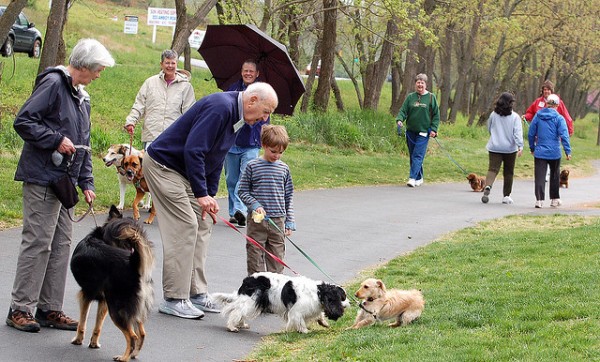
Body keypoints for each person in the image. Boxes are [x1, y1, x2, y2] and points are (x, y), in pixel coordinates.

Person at [143, 82, 278, 319]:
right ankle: (175, 297)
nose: (265, 119)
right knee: (186, 226)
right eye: (266, 112)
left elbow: (216, 157)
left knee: (204, 223)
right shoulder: (220, 107)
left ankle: (196, 292)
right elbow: (194, 150)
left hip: (185, 172)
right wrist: (200, 193)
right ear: (253, 100)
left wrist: (210, 195)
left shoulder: (238, 117)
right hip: (164, 166)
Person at [7, 38, 114, 333]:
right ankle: (20, 308)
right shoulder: (54, 84)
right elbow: (24, 121)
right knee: (38, 243)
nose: (98, 75)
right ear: (83, 66)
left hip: (65, 182)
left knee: (61, 245)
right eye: (97, 70)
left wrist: (87, 181)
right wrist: (55, 139)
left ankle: (49, 308)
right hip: (43, 177)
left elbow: (85, 144)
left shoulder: (83, 97)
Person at [238, 125, 295, 275]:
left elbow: (288, 196)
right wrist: (255, 204)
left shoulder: (284, 169)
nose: (276, 155)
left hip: (278, 221)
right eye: (273, 151)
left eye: (281, 152)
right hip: (257, 221)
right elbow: (242, 191)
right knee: (255, 256)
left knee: (277, 259)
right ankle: (256, 291)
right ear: (264, 145)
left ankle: (275, 292)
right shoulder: (252, 166)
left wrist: (289, 220)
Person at [224, 60, 269, 227]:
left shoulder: (263, 93)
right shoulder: (232, 88)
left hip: (251, 143)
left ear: (257, 73)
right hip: (231, 142)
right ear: (241, 72)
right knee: (231, 179)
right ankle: (233, 213)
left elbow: (265, 118)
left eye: (251, 71)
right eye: (245, 70)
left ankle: (240, 210)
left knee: (244, 179)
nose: (248, 73)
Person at [124, 49, 195, 150]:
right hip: (151, 135)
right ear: (161, 64)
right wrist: (131, 121)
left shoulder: (186, 86)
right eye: (167, 63)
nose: (170, 66)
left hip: (173, 138)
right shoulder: (150, 83)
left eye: (173, 63)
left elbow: (190, 113)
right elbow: (139, 105)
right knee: (149, 165)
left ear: (177, 64)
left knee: (169, 166)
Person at [395, 73, 440, 187]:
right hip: (411, 131)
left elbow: (436, 115)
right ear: (415, 84)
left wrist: (434, 129)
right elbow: (403, 110)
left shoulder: (431, 97)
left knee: (417, 155)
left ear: (426, 84)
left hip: (424, 132)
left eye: (422, 82)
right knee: (412, 155)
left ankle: (412, 178)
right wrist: (400, 120)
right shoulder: (411, 97)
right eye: (418, 82)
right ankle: (419, 177)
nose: (420, 84)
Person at [528, 94, 572, 208]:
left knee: (540, 176)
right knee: (554, 175)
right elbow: (564, 135)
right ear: (557, 105)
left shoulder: (538, 116)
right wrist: (568, 151)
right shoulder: (559, 118)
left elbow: (531, 133)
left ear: (547, 104)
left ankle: (539, 200)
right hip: (554, 151)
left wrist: (532, 147)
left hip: (540, 151)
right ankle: (554, 199)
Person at [481, 92, 524, 205]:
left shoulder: (493, 115)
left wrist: (495, 136)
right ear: (510, 103)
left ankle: (488, 186)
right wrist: (520, 146)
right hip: (510, 148)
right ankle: (506, 196)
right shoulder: (515, 117)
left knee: (492, 169)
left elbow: (489, 128)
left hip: (495, 146)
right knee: (508, 172)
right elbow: (517, 133)